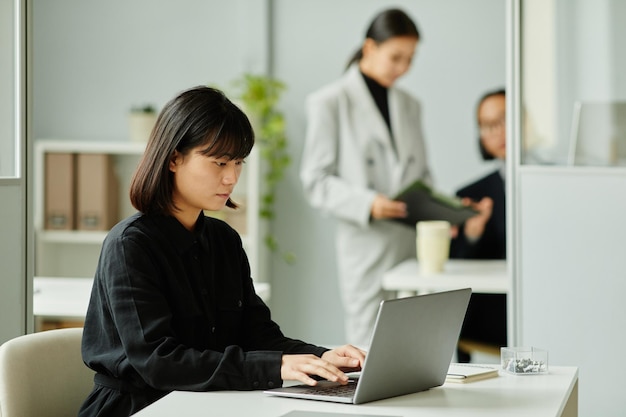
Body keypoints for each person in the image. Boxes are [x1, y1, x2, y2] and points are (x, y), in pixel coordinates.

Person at [78, 86, 365, 417]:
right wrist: (276, 366)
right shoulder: (131, 245)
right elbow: (159, 363)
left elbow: (259, 337)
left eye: (238, 162)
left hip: (207, 402)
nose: (232, 177)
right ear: (174, 159)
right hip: (138, 406)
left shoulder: (225, 240)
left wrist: (322, 358)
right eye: (219, 162)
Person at [300, 9, 432, 347]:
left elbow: (423, 175)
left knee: (415, 343)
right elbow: (315, 180)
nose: (403, 68)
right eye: (396, 57)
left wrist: (443, 210)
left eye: (410, 59)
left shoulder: (410, 105)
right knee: (369, 348)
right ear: (370, 47)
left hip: (410, 243)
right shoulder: (329, 102)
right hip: (366, 244)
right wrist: (369, 203)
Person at [450, 88, 507, 362]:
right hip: (495, 314)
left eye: (505, 119)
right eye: (487, 125)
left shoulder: (553, 184)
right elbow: (457, 264)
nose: (498, 131)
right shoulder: (471, 194)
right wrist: (473, 233)